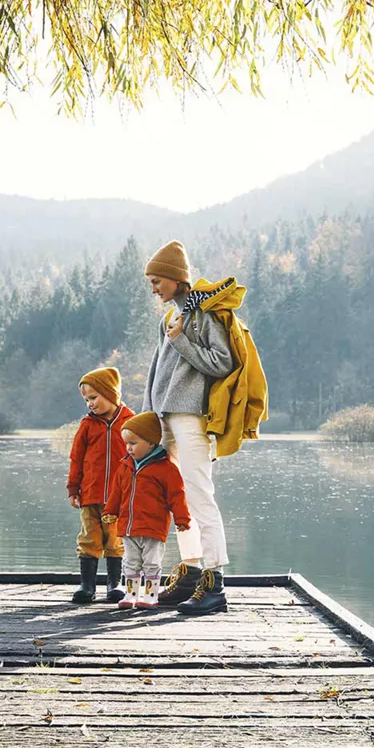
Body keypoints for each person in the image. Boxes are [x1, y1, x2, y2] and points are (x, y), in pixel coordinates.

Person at [141, 240, 235, 615]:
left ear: (177, 279)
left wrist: (182, 342)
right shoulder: (169, 318)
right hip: (164, 418)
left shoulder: (203, 316)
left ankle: (216, 584)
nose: (153, 288)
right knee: (176, 499)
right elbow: (155, 372)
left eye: (157, 280)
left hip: (192, 418)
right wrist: (148, 415)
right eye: (150, 281)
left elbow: (222, 363)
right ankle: (191, 573)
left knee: (199, 496)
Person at [101, 411, 191, 609]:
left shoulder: (166, 469)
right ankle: (130, 594)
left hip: (153, 527)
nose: (128, 448)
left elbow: (177, 495)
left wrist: (182, 518)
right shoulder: (125, 466)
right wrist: (110, 510)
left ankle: (150, 595)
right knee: (130, 562)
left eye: (133, 443)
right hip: (128, 526)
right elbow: (116, 492)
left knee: (151, 563)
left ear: (151, 443)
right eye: (127, 443)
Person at [67, 367, 134, 603]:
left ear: (110, 394)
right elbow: (76, 459)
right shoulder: (87, 425)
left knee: (115, 539)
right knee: (89, 538)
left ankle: (115, 584)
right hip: (90, 495)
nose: (90, 404)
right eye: (86, 400)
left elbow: (139, 459)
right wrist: (73, 488)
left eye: (94, 398)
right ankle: (87, 585)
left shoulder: (130, 423)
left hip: (119, 498)